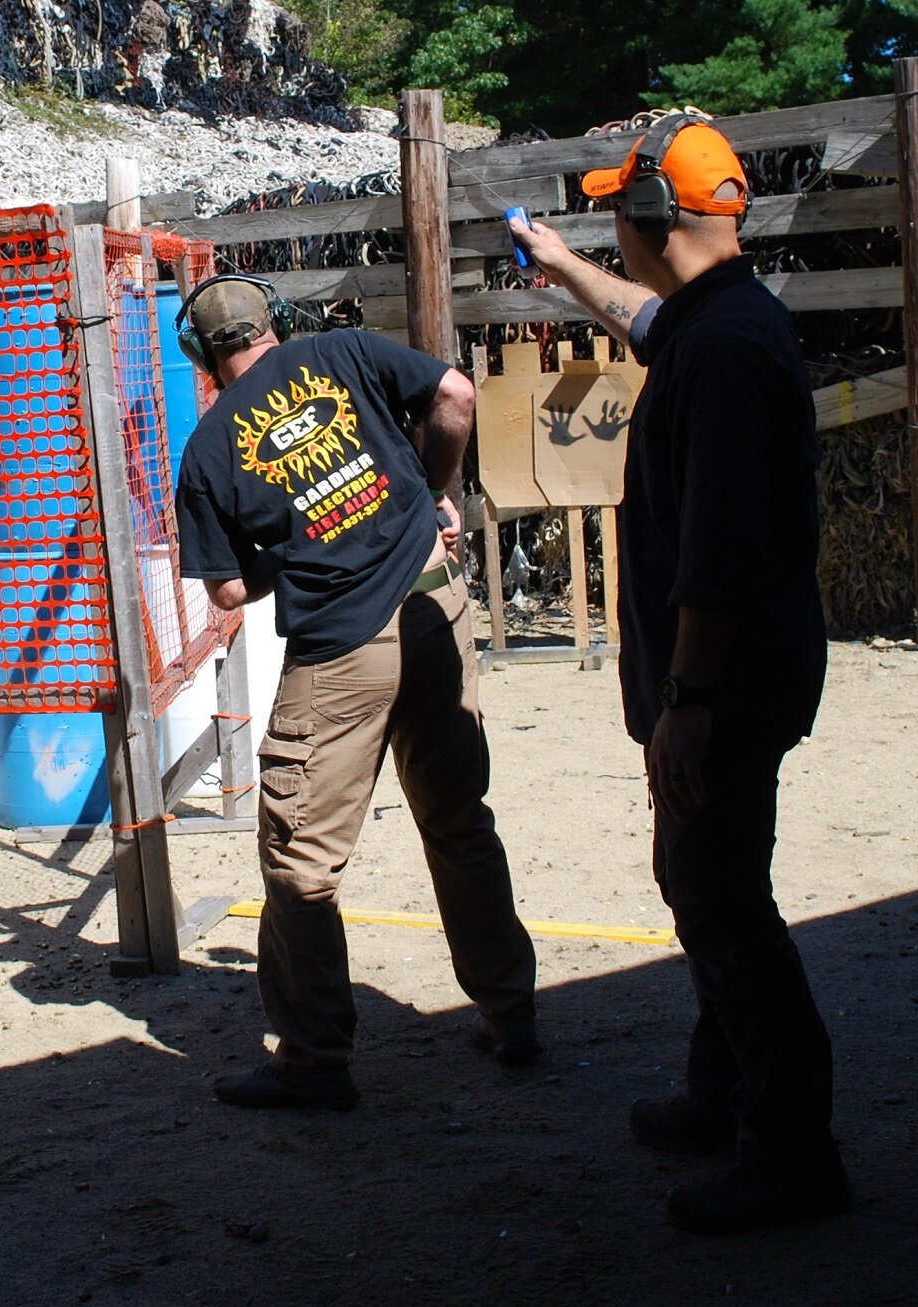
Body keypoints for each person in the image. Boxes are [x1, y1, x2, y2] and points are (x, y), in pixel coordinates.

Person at [508, 114, 849, 1234]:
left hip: (726, 684)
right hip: (735, 676)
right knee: (702, 879)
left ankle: (787, 1148)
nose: (612, 222)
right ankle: (726, 1091)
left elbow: (720, 545)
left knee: (719, 897)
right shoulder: (722, 321)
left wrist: (688, 704)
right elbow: (644, 314)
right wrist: (561, 269)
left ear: (651, 216)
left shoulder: (721, 353)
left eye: (616, 210)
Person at [172, 274, 539, 1114]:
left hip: (342, 649)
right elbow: (453, 393)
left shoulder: (209, 446)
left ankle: (312, 1058)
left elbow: (228, 595)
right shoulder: (337, 350)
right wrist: (437, 486)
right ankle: (511, 1012)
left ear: (200, 355)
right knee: (457, 819)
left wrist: (288, 554)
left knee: (300, 860)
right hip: (437, 603)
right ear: (277, 324)